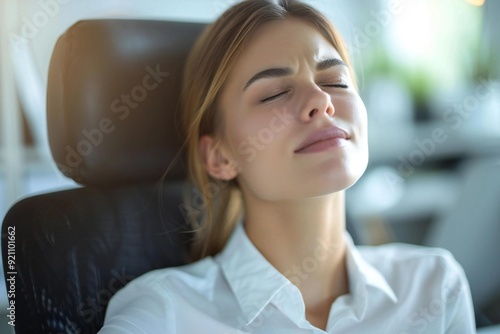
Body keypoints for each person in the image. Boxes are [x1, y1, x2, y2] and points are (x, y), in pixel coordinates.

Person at [99, 0, 476, 333]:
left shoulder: (434, 287)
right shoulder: (164, 315)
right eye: (275, 93)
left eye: (336, 81)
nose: (321, 100)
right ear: (220, 157)